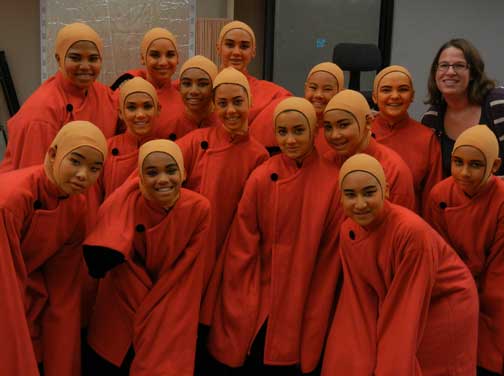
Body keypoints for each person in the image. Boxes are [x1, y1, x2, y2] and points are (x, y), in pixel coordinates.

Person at [208, 97, 343, 375]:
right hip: (258, 292)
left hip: (305, 294)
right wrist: (241, 301)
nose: (290, 140)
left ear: (314, 130)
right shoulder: (261, 177)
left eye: (298, 131)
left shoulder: (333, 182)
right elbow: (241, 248)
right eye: (282, 132)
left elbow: (329, 261)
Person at [322, 153, 478, 375]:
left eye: (369, 193)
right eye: (350, 195)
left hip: (444, 301)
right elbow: (359, 303)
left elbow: (405, 309)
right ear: (340, 198)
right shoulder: (348, 232)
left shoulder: (411, 233)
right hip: (400, 300)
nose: (360, 204)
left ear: (385, 190)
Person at [84, 140, 213, 376]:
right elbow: (121, 259)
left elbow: (186, 270)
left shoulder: (199, 209)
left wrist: (158, 305)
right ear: (140, 177)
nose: (163, 180)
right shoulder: (126, 204)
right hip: (122, 306)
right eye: (152, 173)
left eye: (171, 170)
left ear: (183, 173)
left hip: (171, 302)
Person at [0, 120, 107, 376]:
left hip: (24, 294)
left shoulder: (76, 204)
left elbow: (64, 292)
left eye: (94, 168)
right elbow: (5, 291)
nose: (83, 175)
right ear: (52, 153)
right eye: (76, 161)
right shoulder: (10, 201)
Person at [178, 66, 269, 326]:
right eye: (223, 103)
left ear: (249, 101)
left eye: (238, 102)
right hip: (192, 245)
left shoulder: (259, 154)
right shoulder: (196, 141)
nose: (230, 111)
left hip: (231, 246)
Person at [425, 125, 504, 376]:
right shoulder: (439, 194)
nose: (464, 172)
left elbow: (499, 268)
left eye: (475, 165)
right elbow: (437, 252)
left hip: (494, 292)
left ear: (494, 166)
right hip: (452, 286)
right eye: (458, 162)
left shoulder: (501, 199)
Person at [0, 23, 117, 172]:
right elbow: (34, 179)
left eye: (93, 59)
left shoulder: (102, 94)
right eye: (75, 58)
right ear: (59, 59)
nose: (85, 66)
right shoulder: (41, 114)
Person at [422, 38, 504, 177]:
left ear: (472, 73)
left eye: (459, 65)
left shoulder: (498, 103)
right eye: (444, 65)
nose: (450, 72)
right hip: (458, 197)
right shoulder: (432, 119)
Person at [323, 89, 416, 210]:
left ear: (368, 122)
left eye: (343, 125)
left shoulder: (393, 170)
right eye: (328, 127)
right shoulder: (327, 163)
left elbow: (397, 222)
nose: (335, 135)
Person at [371, 65, 442, 213]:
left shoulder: (426, 138)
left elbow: (432, 199)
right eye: (386, 90)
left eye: (403, 89)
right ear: (374, 97)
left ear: (412, 96)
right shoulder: (361, 131)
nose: (395, 96)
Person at [216, 20, 292, 153]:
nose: (236, 52)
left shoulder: (274, 94)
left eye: (244, 47)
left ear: (253, 52)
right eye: (229, 45)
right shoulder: (201, 88)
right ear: (218, 48)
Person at [94, 76, 160, 201]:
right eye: (131, 107)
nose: (140, 115)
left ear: (158, 110)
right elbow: (93, 199)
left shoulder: (167, 150)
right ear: (120, 113)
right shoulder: (105, 150)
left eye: (147, 106)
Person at [112, 27, 185, 139]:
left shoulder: (185, 100)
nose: (163, 62)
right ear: (143, 58)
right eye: (155, 55)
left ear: (178, 58)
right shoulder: (121, 96)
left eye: (170, 55)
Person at [173, 55, 221, 136]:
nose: (194, 91)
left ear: (214, 89)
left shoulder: (224, 123)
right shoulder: (172, 122)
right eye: (187, 84)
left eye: (202, 84)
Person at [304, 62, 345, 156]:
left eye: (327, 89)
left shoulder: (346, 130)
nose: (318, 95)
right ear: (305, 88)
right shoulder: (293, 120)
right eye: (313, 88)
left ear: (340, 92)